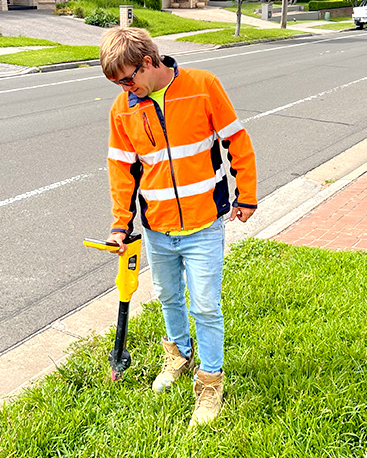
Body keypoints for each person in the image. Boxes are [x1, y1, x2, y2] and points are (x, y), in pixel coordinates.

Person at [99, 27, 258, 426]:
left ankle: (210, 383)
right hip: (157, 228)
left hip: (204, 224)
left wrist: (247, 195)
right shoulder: (123, 109)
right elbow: (122, 171)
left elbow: (237, 142)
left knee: (205, 305)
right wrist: (121, 225)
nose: (123, 88)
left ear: (148, 63)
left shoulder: (204, 86)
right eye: (117, 83)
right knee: (169, 297)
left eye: (126, 78)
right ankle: (179, 355)